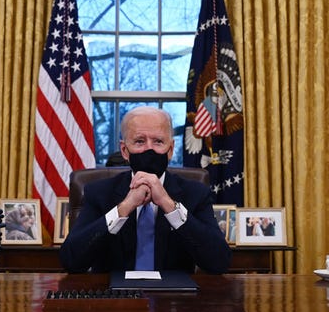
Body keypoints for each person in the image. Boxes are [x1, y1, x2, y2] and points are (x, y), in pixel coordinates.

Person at [59, 106, 231, 274]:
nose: (149, 149)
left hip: (175, 298)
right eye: (140, 141)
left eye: (158, 141)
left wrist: (168, 204)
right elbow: (71, 261)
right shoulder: (99, 193)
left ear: (170, 150)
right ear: (125, 150)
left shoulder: (195, 193)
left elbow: (219, 262)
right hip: (115, 298)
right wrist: (124, 207)